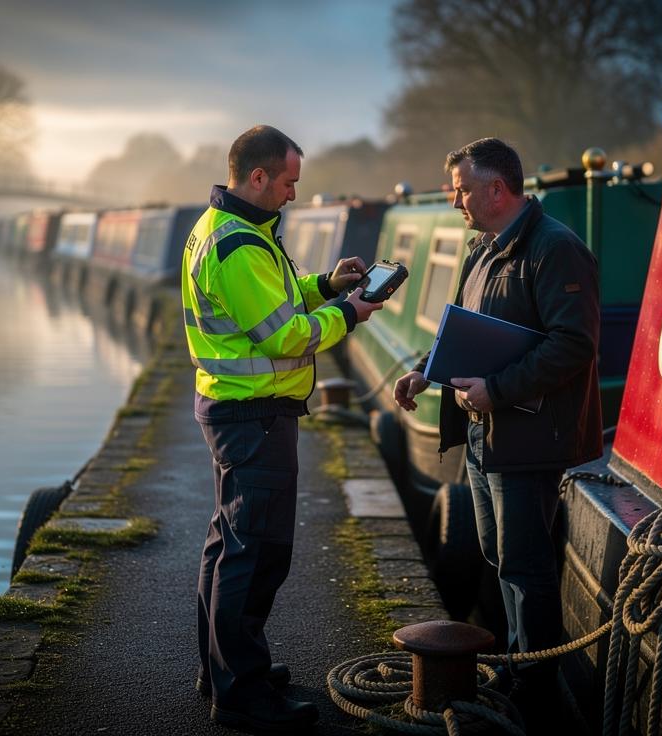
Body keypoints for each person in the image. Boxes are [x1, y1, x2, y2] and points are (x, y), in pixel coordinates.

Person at [181, 124, 382, 733]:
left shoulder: (228, 230)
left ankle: (223, 668)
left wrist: (326, 285)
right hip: (254, 414)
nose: (295, 193)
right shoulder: (239, 245)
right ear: (259, 176)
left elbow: (276, 301)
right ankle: (240, 694)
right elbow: (286, 333)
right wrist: (350, 312)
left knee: (228, 545)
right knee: (256, 552)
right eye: (290, 181)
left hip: (236, 409)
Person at [393, 138, 603, 710]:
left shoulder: (556, 249)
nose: (455, 199)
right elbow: (459, 329)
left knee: (527, 566)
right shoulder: (483, 251)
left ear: (495, 188)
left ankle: (534, 691)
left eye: (462, 189)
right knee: (499, 556)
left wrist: (498, 390)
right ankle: (515, 668)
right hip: (487, 435)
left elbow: (574, 345)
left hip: (532, 440)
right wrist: (422, 372)